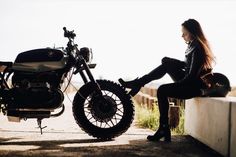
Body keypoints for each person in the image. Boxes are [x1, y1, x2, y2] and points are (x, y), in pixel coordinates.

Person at [118, 19, 215, 142]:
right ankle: (139, 83)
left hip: (193, 87)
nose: (182, 36)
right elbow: (187, 65)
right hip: (189, 81)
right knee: (166, 64)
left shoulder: (198, 47)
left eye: (184, 33)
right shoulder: (192, 45)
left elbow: (191, 76)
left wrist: (177, 85)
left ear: (192, 32)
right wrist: (170, 61)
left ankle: (163, 127)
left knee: (162, 90)